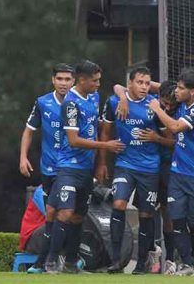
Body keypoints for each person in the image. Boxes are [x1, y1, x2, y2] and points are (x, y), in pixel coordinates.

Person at [44, 60, 124, 273]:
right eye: (95, 80)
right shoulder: (71, 103)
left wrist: (100, 162)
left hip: (86, 169)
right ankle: (51, 261)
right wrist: (105, 145)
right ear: (82, 80)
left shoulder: (94, 97)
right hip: (68, 167)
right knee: (65, 212)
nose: (98, 84)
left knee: (79, 215)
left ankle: (71, 262)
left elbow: (94, 129)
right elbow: (73, 140)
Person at [148, 71, 194, 276]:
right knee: (176, 219)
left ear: (192, 92)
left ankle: (193, 251)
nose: (176, 91)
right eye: (176, 87)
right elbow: (152, 85)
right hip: (177, 173)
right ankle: (187, 265)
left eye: (181, 88)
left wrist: (157, 110)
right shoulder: (182, 103)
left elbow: (176, 127)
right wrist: (124, 92)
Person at [99, 67, 163, 274]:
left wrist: (156, 138)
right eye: (140, 82)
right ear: (130, 83)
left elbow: (169, 136)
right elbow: (105, 131)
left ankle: (143, 262)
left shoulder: (155, 104)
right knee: (118, 204)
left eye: (147, 83)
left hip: (150, 167)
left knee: (146, 214)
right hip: (125, 165)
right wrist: (102, 162)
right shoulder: (114, 101)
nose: (144, 87)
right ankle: (116, 260)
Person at [114, 80, 179, 274]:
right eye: (164, 102)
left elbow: (176, 142)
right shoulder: (159, 94)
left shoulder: (179, 110)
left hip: (169, 165)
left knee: (167, 211)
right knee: (146, 209)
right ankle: (151, 250)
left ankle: (171, 260)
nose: (167, 106)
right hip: (150, 165)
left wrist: (156, 138)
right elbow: (121, 85)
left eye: (170, 104)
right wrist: (123, 97)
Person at [18, 63, 75, 273]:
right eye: (59, 79)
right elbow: (29, 130)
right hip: (48, 167)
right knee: (52, 214)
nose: (63, 83)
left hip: (71, 168)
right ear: (53, 80)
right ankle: (55, 259)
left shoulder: (79, 101)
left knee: (62, 211)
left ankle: (49, 259)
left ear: (74, 81)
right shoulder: (43, 102)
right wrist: (23, 157)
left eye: (67, 79)